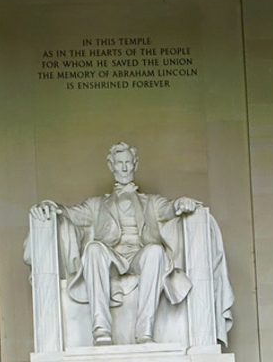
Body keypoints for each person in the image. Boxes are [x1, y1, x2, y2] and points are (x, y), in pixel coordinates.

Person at [29, 142, 233, 345]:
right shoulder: (96, 205)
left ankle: (145, 332)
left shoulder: (151, 202)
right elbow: (71, 214)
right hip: (110, 258)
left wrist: (181, 203)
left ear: (135, 164)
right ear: (111, 166)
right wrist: (52, 206)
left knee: (155, 251)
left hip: (138, 256)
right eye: (119, 163)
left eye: (128, 162)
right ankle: (101, 330)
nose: (124, 168)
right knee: (93, 249)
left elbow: (169, 209)